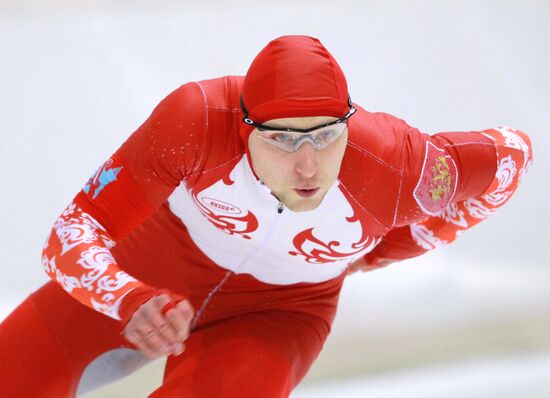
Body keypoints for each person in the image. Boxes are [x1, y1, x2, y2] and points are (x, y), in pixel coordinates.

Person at [0, 35, 533, 397]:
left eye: (326, 136)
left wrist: (402, 243)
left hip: (282, 311)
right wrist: (126, 295)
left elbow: (513, 155)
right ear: (243, 128)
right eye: (280, 139)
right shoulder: (196, 120)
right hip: (153, 269)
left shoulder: (398, 165)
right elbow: (73, 230)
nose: (308, 165)